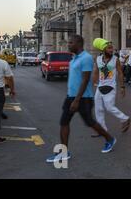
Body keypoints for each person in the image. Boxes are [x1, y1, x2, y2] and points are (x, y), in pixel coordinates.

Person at [46, 35, 116, 164]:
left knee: (89, 122)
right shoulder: (73, 59)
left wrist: (77, 100)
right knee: (64, 122)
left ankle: (110, 139)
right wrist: (70, 96)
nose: (68, 44)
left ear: (78, 43)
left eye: (71, 42)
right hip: (71, 96)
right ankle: (64, 153)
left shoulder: (86, 58)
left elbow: (85, 80)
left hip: (83, 98)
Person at [92, 39, 131, 135]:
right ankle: (102, 130)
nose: (111, 50)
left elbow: (120, 73)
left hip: (111, 87)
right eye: (109, 48)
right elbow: (96, 71)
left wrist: (122, 87)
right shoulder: (98, 59)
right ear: (103, 50)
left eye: (112, 48)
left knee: (109, 107)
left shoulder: (115, 59)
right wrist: (94, 82)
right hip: (100, 87)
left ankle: (125, 118)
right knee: (98, 109)